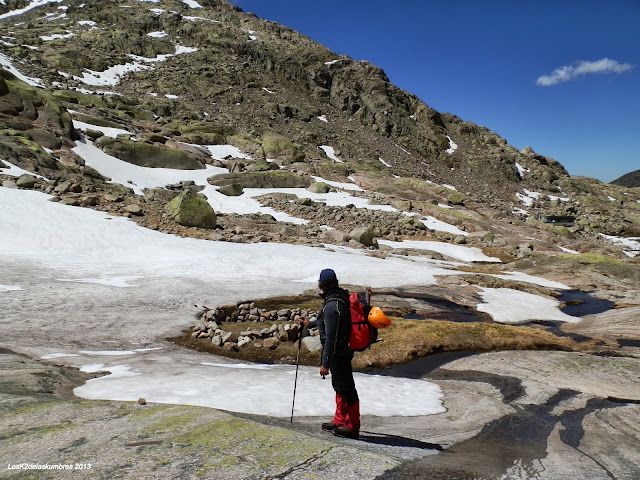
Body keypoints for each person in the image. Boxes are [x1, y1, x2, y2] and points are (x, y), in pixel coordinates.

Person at [300, 268, 360, 439]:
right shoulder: (338, 296)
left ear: (322, 284)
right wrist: (309, 324)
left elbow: (331, 337)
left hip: (338, 353)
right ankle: (339, 421)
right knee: (340, 386)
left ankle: (352, 426)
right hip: (343, 350)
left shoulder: (332, 305)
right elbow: (324, 322)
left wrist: (325, 364)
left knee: (346, 388)